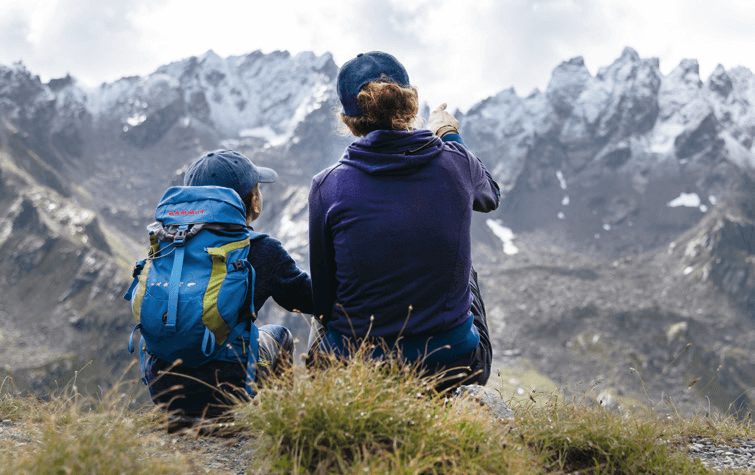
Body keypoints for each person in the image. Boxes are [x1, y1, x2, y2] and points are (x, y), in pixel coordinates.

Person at [307, 51, 500, 392]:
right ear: (411, 103)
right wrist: (448, 133)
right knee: (466, 272)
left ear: (348, 121)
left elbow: (323, 299)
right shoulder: (457, 163)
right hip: (456, 366)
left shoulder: (327, 186)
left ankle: (324, 391)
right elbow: (490, 197)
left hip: (358, 369)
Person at [145, 149, 313, 420]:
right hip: (229, 385)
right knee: (279, 335)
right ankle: (281, 420)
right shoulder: (262, 249)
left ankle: (185, 413)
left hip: (163, 388)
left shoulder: (167, 245)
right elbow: (310, 300)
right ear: (254, 201)